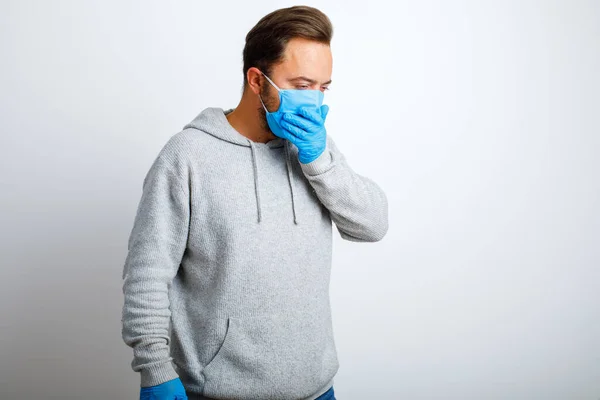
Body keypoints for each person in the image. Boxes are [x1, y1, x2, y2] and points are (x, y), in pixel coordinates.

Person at [121, 5, 389, 400]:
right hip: (217, 391)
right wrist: (155, 367)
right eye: (300, 84)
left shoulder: (315, 151)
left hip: (317, 390)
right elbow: (146, 274)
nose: (313, 101)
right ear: (256, 80)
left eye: (323, 87)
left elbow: (373, 225)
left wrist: (317, 160)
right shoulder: (188, 156)